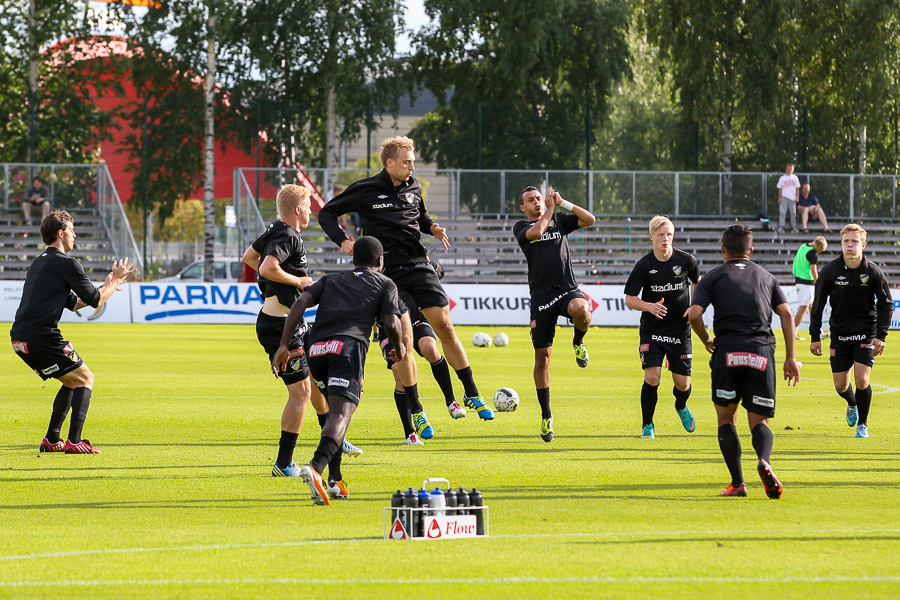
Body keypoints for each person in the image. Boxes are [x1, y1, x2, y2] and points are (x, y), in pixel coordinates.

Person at [318, 136, 494, 439]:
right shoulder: (366, 189)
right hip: (388, 275)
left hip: (420, 265)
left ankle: (471, 393)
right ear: (389, 163)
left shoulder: (414, 187)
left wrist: (432, 227)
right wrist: (343, 240)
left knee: (446, 328)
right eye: (406, 161)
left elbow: (419, 215)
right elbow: (326, 213)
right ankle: (417, 410)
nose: (412, 166)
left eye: (412, 161)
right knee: (405, 342)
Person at [273, 236, 405, 506]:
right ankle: (317, 467)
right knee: (342, 414)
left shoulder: (331, 280)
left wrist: (284, 344)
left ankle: (335, 479)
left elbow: (299, 304)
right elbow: (392, 319)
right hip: (347, 348)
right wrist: (400, 347)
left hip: (317, 351)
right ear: (380, 261)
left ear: (353, 259)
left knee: (334, 414)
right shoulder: (385, 282)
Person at [242, 185, 361, 480]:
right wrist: (296, 281)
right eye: (308, 206)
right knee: (302, 393)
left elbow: (249, 257)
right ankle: (283, 464)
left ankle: (332, 438)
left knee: (319, 381)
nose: (310, 212)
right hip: (278, 325)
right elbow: (267, 266)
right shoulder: (288, 235)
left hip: (292, 323)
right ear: (298, 210)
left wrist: (276, 284)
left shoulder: (275, 230)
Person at [688, 225, 800, 499]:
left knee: (726, 418)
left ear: (723, 249)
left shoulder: (713, 277)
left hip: (727, 353)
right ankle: (764, 461)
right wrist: (791, 358)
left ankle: (738, 483)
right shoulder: (766, 277)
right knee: (759, 420)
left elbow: (693, 314)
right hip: (760, 352)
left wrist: (706, 339)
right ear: (751, 251)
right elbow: (786, 313)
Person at [10, 210, 135, 454]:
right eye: (71, 230)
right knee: (86, 378)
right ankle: (75, 441)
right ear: (60, 233)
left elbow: (76, 302)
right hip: (41, 336)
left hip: (19, 338)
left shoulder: (40, 263)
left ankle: (51, 440)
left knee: (71, 380)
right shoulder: (67, 263)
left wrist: (106, 286)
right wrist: (115, 282)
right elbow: (97, 301)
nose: (74, 234)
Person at [513, 186, 596, 442]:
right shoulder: (520, 228)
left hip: (567, 290)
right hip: (541, 299)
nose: (537, 202)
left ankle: (578, 342)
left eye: (539, 198)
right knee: (542, 358)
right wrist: (550, 208)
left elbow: (590, 219)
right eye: (531, 200)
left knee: (582, 309)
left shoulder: (558, 219)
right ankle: (546, 416)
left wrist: (564, 203)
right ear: (523, 208)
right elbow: (537, 231)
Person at [808, 224, 893, 439]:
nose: (850, 245)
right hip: (839, 332)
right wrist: (815, 336)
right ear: (841, 244)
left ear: (862, 244)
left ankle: (862, 425)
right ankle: (852, 402)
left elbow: (886, 303)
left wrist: (880, 336)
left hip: (866, 331)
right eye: (846, 241)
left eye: (854, 241)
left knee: (862, 380)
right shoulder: (830, 271)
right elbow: (817, 304)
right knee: (840, 385)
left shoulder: (873, 271)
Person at [624, 215, 700, 439]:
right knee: (652, 378)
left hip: (680, 330)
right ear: (651, 237)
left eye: (668, 234)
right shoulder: (644, 265)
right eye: (660, 235)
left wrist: (694, 306)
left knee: (683, 384)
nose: (665, 239)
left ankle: (681, 406)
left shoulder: (687, 261)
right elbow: (629, 298)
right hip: (652, 330)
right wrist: (649, 307)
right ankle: (647, 425)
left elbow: (698, 282)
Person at [374, 261, 466, 445]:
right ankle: (410, 432)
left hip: (416, 319)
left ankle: (451, 402)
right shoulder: (378, 270)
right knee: (400, 375)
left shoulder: (414, 259)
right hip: (391, 328)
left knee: (430, 348)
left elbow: (438, 270)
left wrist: (428, 271)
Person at [791, 236, 828, 340]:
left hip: (799, 280)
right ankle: (793, 332)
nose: (818, 252)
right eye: (819, 250)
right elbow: (813, 269)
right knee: (803, 307)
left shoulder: (803, 246)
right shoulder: (813, 253)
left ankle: (818, 331)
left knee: (812, 307)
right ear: (816, 246)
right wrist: (819, 281)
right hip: (806, 282)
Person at [776, 163, 800, 233]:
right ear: (786, 170)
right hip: (784, 197)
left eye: (791, 169)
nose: (790, 171)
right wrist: (779, 198)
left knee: (793, 213)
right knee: (782, 212)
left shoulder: (795, 178)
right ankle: (781, 227)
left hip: (792, 198)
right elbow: (779, 188)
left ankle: (793, 227)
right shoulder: (782, 178)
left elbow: (797, 188)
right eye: (789, 169)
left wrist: (797, 197)